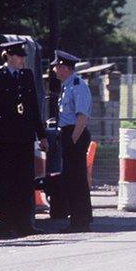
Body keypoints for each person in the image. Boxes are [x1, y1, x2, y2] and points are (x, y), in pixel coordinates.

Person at [0, 41, 48, 238]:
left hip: (23, 136)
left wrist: (41, 135)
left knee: (24, 182)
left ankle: (25, 223)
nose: (23, 59)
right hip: (5, 138)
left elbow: (32, 107)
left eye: (23, 56)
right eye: (19, 56)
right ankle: (6, 225)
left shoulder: (26, 75)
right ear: (9, 56)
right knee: (6, 182)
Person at [51, 50, 93, 232]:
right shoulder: (67, 86)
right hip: (68, 133)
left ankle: (81, 221)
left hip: (75, 134)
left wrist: (72, 141)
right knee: (72, 179)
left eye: (56, 66)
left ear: (64, 68)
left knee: (76, 179)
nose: (53, 69)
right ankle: (78, 219)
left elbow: (82, 118)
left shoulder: (77, 85)